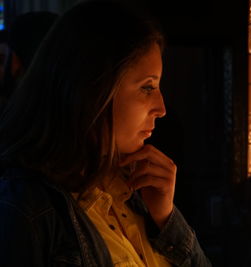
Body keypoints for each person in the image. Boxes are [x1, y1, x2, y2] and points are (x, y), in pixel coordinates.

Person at [0, 0, 211, 266]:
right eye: (148, 87)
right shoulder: (25, 209)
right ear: (92, 90)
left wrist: (166, 217)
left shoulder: (132, 183)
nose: (162, 108)